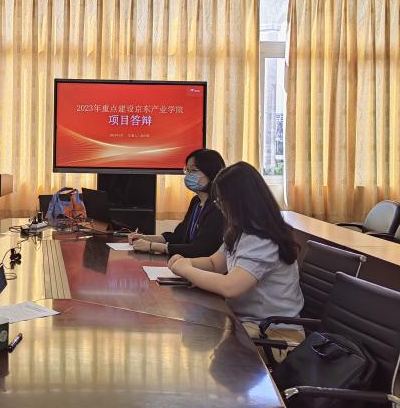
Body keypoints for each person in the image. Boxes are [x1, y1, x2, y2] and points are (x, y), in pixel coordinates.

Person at [167, 161, 304, 362]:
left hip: (275, 336)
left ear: (239, 202)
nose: (220, 207)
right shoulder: (241, 231)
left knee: (200, 354)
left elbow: (230, 287)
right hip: (248, 326)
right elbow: (215, 263)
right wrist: (186, 262)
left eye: (222, 201)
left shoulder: (262, 238)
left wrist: (187, 270)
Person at [128, 148, 226, 257]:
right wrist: (145, 238)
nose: (188, 175)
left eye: (194, 170)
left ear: (211, 173)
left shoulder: (218, 206)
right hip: (186, 261)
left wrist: (152, 246)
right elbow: (178, 236)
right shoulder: (196, 201)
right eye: (187, 170)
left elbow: (201, 249)